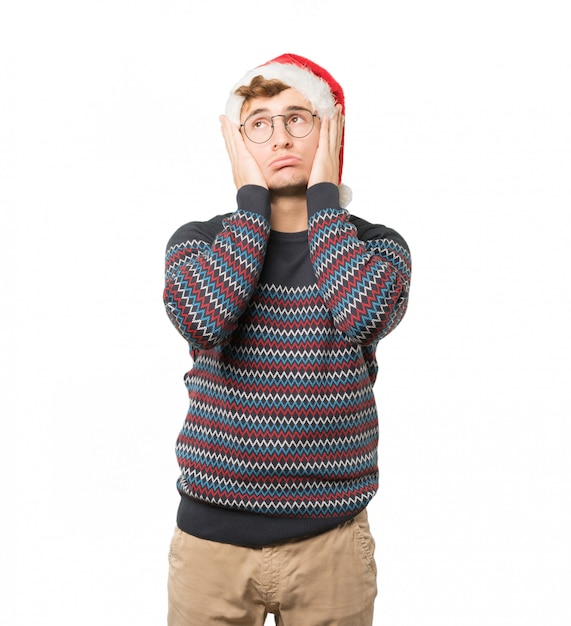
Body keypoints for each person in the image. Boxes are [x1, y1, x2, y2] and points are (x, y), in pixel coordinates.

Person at [163, 53, 412, 626]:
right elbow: (204, 318)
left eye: (299, 119)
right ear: (238, 141)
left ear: (330, 130)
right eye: (259, 123)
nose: (280, 138)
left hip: (332, 545)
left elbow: (363, 315)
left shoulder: (379, 247)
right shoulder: (197, 243)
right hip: (210, 546)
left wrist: (324, 199)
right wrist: (251, 206)